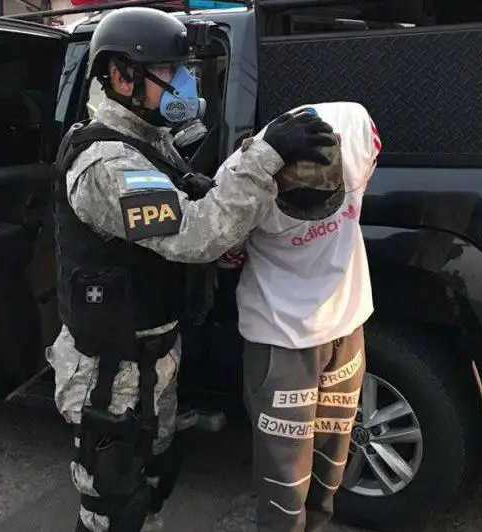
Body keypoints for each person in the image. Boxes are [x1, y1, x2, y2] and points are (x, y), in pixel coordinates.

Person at [44, 7, 337, 532]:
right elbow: (196, 234)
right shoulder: (108, 164)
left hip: (152, 356)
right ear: (121, 76)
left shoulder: (150, 140)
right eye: (167, 70)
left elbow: (182, 213)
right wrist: (264, 156)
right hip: (111, 373)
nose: (183, 82)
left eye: (184, 69)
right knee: (114, 504)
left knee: (155, 480)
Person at [216, 102, 382, 531]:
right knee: (285, 489)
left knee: (330, 472)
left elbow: (373, 154)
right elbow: (223, 254)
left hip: (346, 326)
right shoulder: (237, 181)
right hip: (280, 338)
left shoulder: (355, 128)